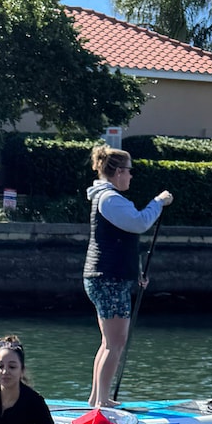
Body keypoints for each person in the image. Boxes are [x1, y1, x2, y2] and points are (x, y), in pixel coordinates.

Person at [83, 145, 172, 407]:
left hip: (109, 277)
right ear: (119, 172)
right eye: (129, 172)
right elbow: (139, 223)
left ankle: (96, 399)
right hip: (107, 278)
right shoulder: (110, 199)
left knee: (109, 342)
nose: (131, 177)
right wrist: (158, 202)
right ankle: (101, 403)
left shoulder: (108, 198)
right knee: (115, 343)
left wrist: (136, 273)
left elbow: (123, 240)